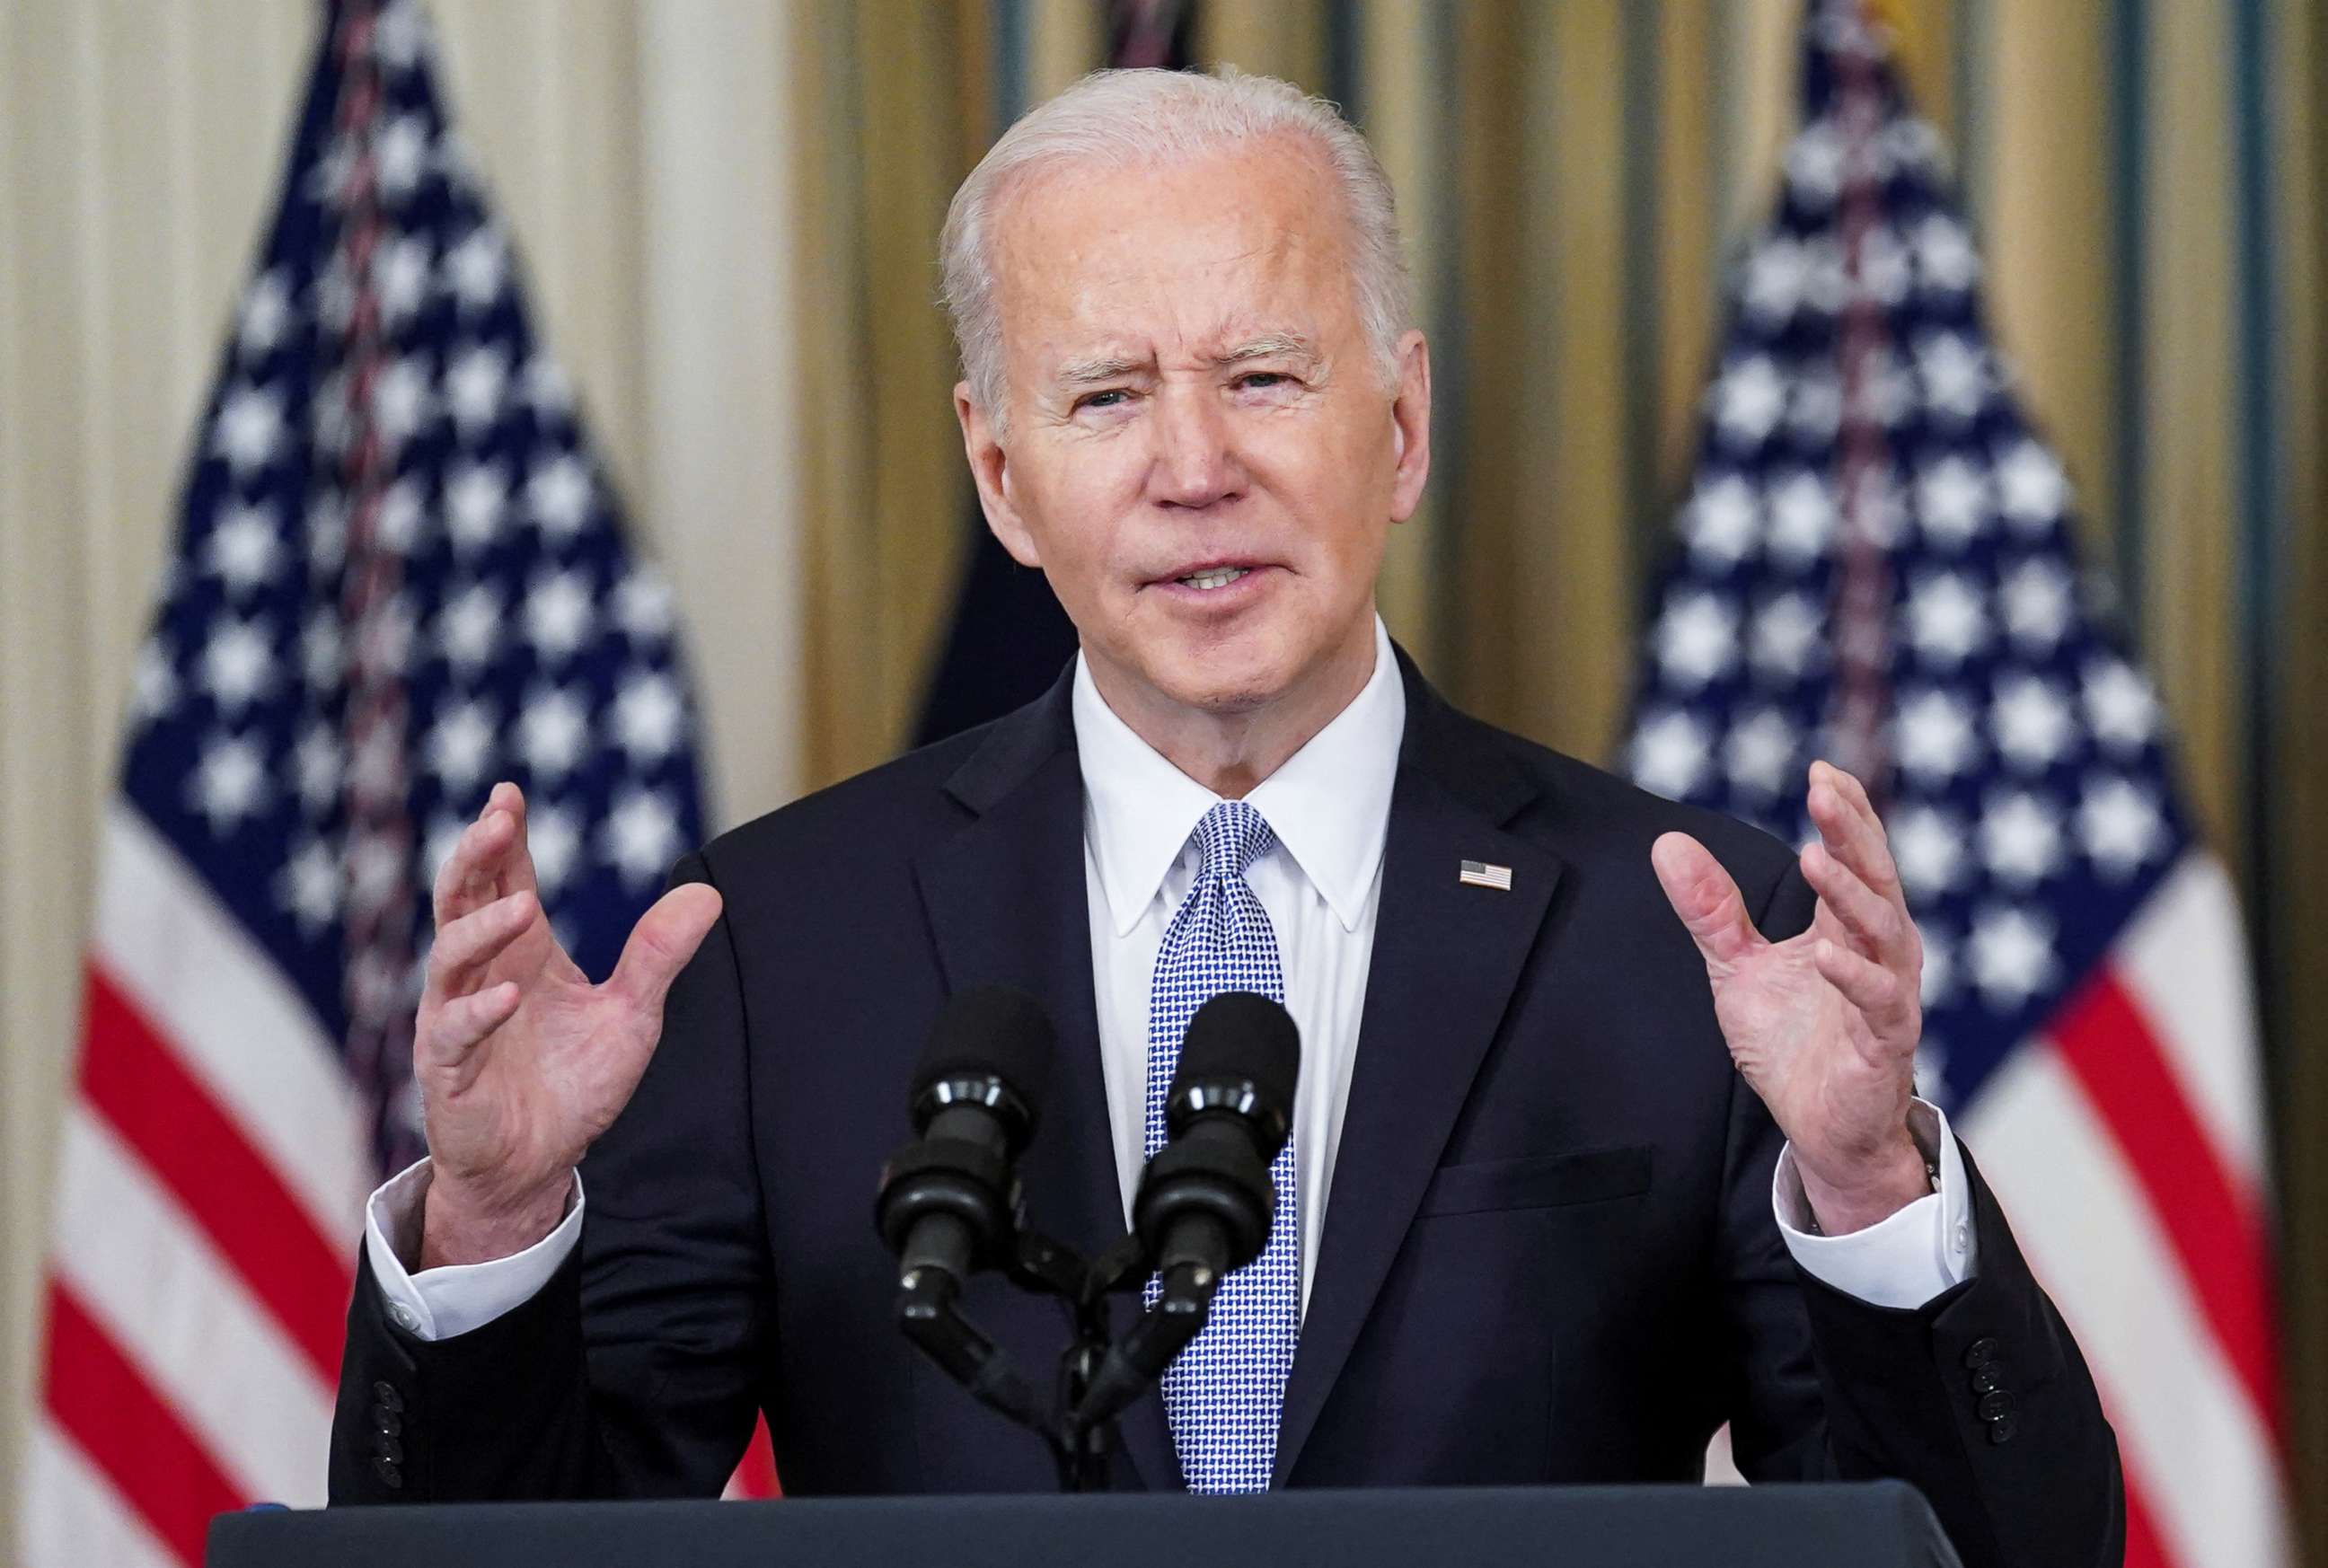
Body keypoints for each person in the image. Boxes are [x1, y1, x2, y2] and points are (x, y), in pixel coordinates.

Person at [330, 68, 2121, 1567]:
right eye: (1108, 396)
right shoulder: (783, 944)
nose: (1196, 467)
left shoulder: (1678, 925)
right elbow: (501, 1554)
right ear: (1001, 476)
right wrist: (492, 1222)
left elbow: (1999, 1551)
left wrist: (1874, 1185)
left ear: (1402, 427)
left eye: (1264, 376)